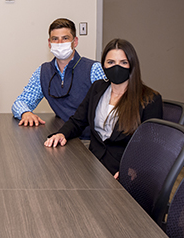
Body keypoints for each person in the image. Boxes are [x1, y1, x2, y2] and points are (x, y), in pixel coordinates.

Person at [44, 38, 163, 175]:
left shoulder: (150, 99)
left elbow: (151, 147)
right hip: (91, 163)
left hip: (122, 171)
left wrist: (133, 170)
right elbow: (78, 120)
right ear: (104, 65)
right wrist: (61, 133)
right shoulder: (98, 88)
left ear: (132, 64)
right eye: (111, 62)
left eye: (123, 62)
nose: (116, 67)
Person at [12, 18, 106, 140]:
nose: (60, 43)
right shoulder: (43, 71)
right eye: (55, 39)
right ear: (49, 43)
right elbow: (20, 102)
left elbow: (109, 109)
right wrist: (26, 113)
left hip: (90, 140)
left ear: (75, 41)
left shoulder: (93, 69)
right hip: (62, 136)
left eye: (65, 38)